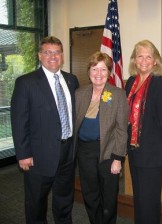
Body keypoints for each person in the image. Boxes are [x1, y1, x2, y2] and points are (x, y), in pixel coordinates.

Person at [11, 36, 79, 223]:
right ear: (40, 56)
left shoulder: (72, 80)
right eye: (47, 52)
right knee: (36, 202)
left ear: (62, 56)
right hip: (39, 155)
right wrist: (23, 153)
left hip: (67, 152)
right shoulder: (26, 82)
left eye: (56, 52)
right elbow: (19, 120)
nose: (53, 56)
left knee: (64, 198)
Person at [125, 40, 162, 224]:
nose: (144, 60)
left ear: (155, 61)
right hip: (134, 151)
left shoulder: (161, 85)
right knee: (139, 199)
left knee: (149, 202)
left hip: (152, 153)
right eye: (140, 56)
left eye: (149, 56)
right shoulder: (131, 82)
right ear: (134, 60)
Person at [74, 52, 128, 224]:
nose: (98, 73)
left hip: (108, 151)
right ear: (88, 71)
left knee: (109, 195)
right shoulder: (79, 93)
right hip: (85, 151)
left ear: (110, 72)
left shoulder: (117, 94)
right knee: (90, 193)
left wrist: (118, 159)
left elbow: (121, 129)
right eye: (94, 69)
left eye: (103, 69)